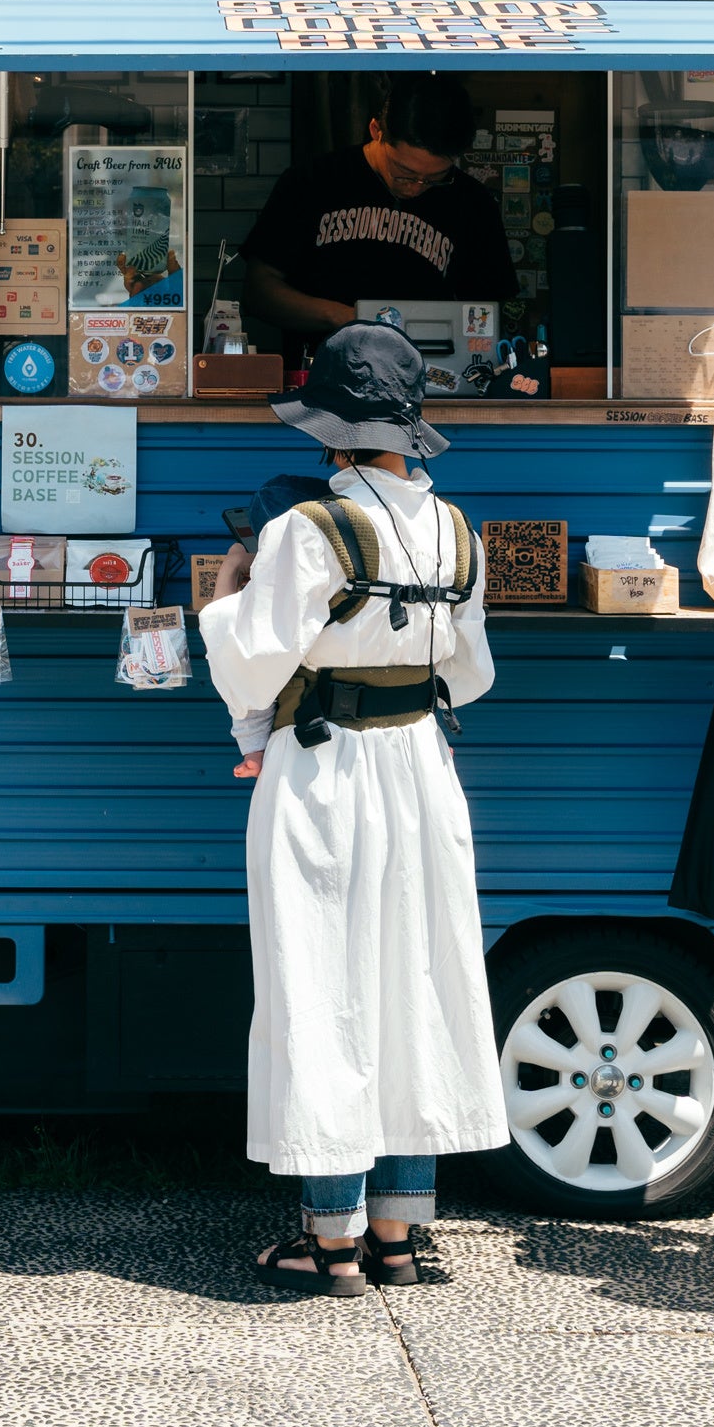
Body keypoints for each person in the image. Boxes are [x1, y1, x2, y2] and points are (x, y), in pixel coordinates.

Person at [199, 323, 501, 1296]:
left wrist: (225, 594)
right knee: (415, 984)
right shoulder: (457, 531)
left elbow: (252, 659)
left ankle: (330, 1243)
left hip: (323, 771)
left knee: (324, 988)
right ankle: (400, 1238)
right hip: (419, 769)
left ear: (329, 433)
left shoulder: (305, 531)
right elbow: (470, 674)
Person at [239, 74, 519, 346]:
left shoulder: (473, 202)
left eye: (435, 178)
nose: (415, 188)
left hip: (431, 369)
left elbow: (490, 308)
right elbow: (259, 291)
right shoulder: (314, 181)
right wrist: (343, 317)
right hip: (321, 365)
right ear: (376, 131)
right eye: (404, 172)